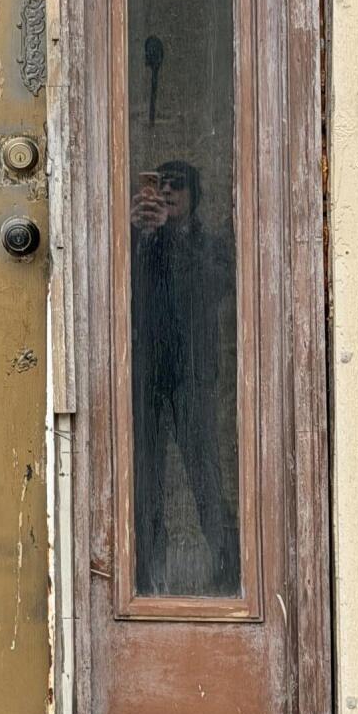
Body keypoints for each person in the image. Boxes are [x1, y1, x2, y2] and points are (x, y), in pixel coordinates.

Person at [129, 159, 239, 594]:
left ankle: (231, 570)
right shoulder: (139, 240)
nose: (169, 193)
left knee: (205, 475)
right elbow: (124, 291)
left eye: (178, 187)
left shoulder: (207, 246)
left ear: (195, 198)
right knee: (147, 478)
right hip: (147, 376)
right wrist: (143, 235)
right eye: (161, 185)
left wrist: (171, 240)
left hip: (193, 375)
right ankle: (146, 576)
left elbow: (212, 290)